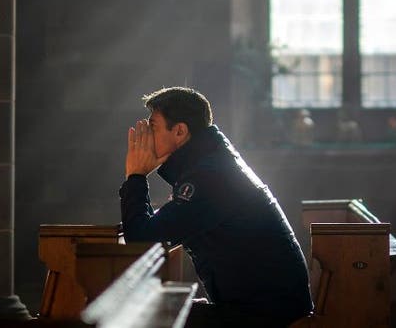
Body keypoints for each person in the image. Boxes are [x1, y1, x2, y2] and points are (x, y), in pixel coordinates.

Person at [120, 86, 313, 327]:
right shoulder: (212, 163)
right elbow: (157, 230)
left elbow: (141, 242)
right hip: (267, 307)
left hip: (266, 316)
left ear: (179, 131)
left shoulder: (209, 175)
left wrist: (136, 176)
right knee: (157, 309)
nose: (146, 135)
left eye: (153, 126)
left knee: (144, 317)